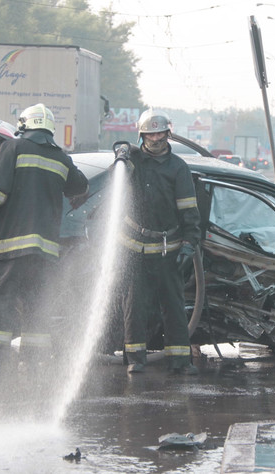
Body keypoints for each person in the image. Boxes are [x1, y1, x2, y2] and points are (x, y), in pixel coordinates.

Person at [0, 104, 88, 374]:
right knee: (36, 305)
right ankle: (33, 361)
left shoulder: (13, 148)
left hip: (11, 247)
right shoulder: (60, 158)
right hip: (45, 253)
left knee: (0, 301)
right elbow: (80, 186)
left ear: (24, 125)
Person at [114, 109, 201, 375]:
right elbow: (114, 178)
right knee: (134, 306)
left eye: (160, 134)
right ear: (142, 136)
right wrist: (121, 154)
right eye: (150, 134)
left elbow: (189, 210)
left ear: (168, 134)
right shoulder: (133, 163)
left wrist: (190, 243)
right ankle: (135, 360)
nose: (155, 139)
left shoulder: (178, 168)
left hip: (168, 249)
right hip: (134, 248)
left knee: (173, 306)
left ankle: (180, 361)